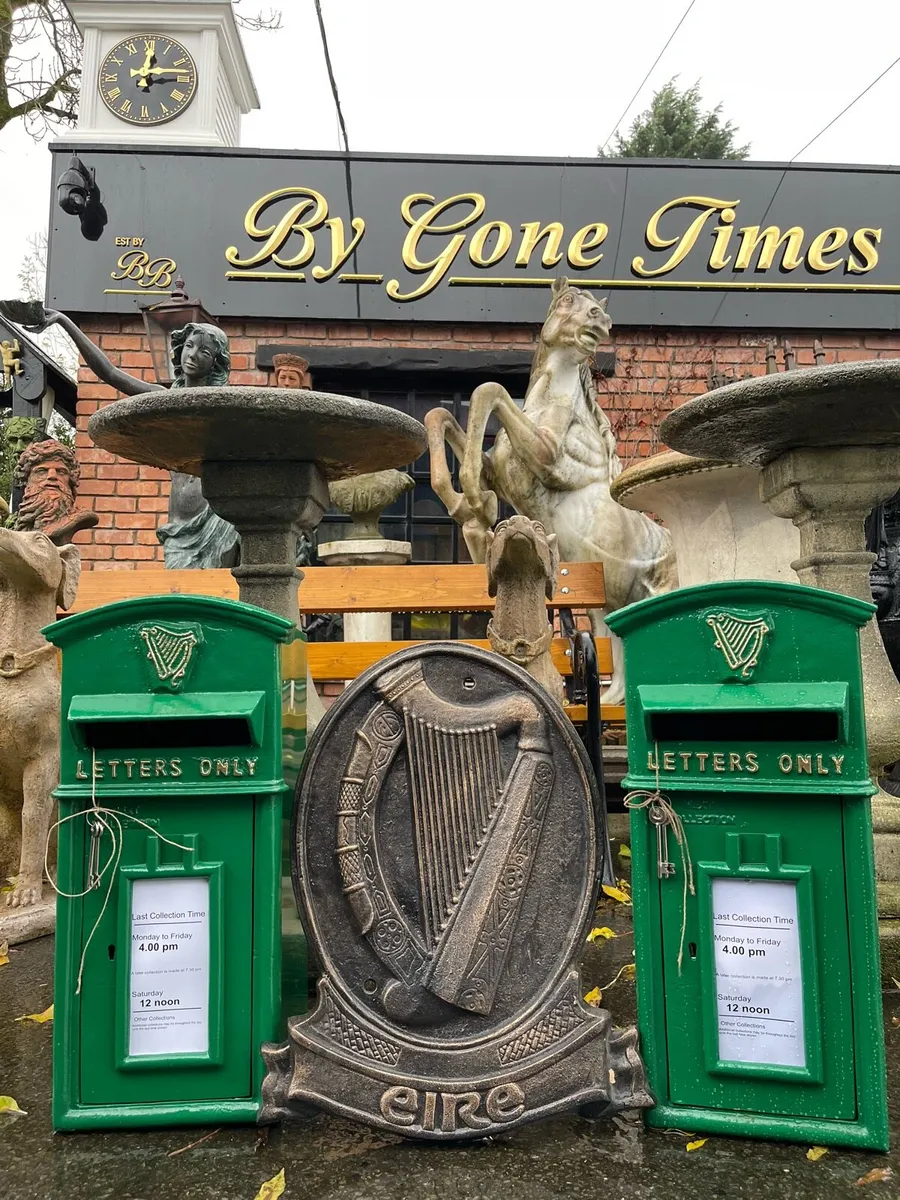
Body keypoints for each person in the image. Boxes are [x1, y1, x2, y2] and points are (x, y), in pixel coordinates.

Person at [40, 311, 239, 568]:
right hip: (179, 525)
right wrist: (63, 320)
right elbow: (110, 373)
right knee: (180, 595)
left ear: (215, 362)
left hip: (218, 517)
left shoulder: (221, 407)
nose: (192, 355)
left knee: (220, 595)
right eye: (189, 345)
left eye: (204, 352)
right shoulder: (164, 399)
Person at [13, 438, 98, 544]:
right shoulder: (19, 525)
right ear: (27, 480)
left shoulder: (80, 517)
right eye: (42, 471)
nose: (52, 476)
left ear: (70, 479)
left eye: (61, 472)